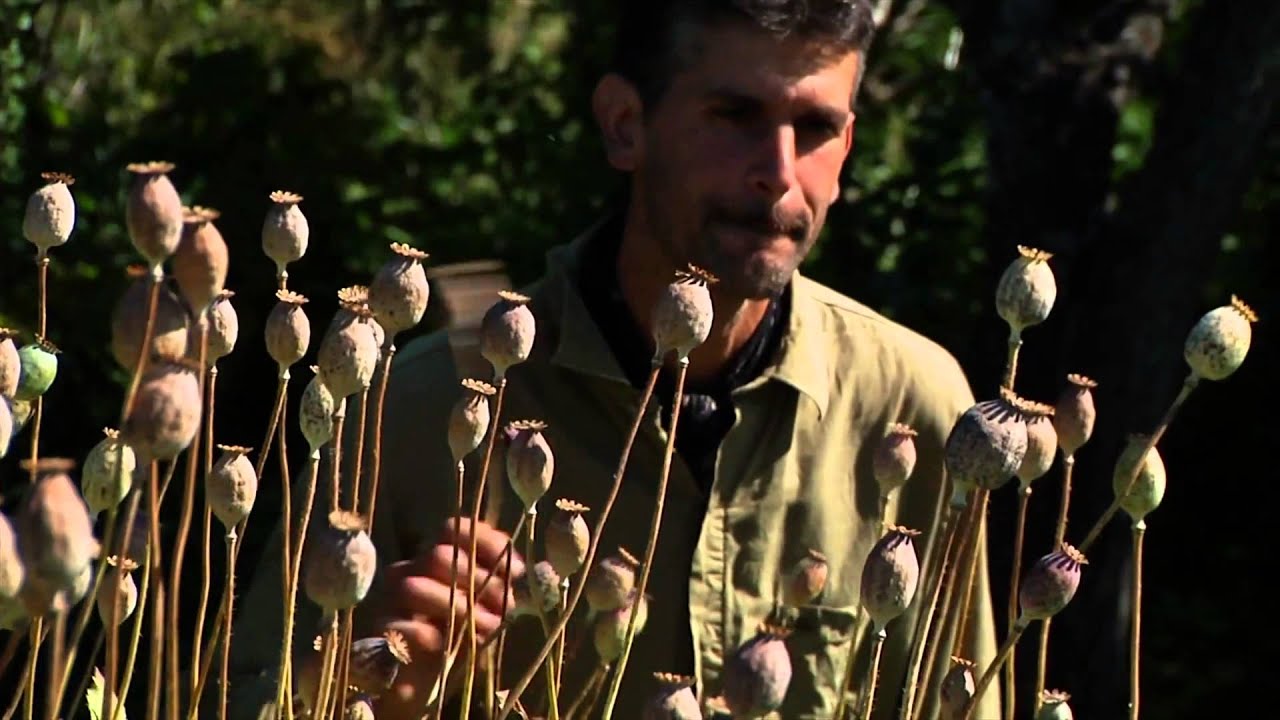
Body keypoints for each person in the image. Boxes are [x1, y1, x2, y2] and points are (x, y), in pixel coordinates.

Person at [229, 1, 1001, 718]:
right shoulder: (416, 407)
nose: (779, 169)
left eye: (816, 127)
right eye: (735, 116)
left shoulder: (916, 406)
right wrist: (361, 680)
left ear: (849, 147)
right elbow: (242, 695)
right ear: (625, 124)